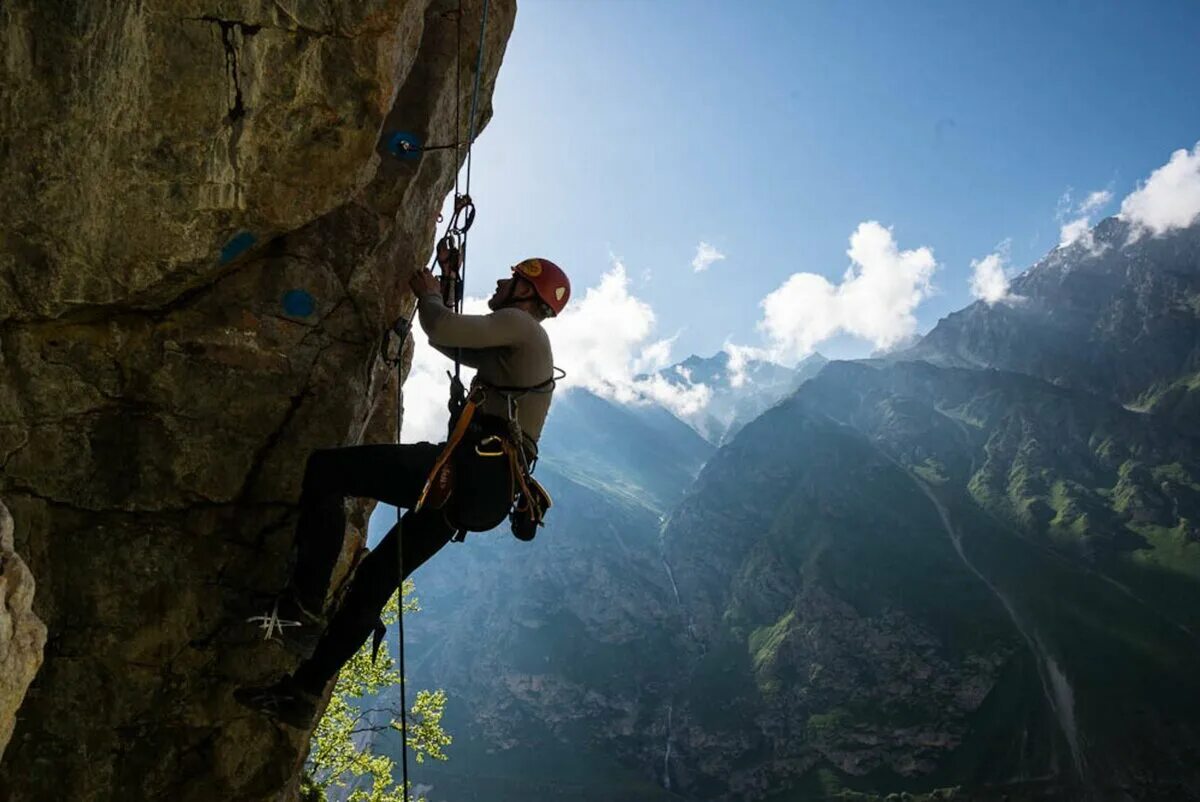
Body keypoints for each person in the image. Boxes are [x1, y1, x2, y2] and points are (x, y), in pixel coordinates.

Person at [236, 258, 570, 726]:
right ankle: (302, 692)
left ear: (527, 295)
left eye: (512, 279)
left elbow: (440, 326)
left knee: (325, 471)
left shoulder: (519, 325)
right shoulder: (522, 341)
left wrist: (430, 295)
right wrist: (447, 286)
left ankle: (303, 605)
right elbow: (451, 340)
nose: (501, 281)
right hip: (479, 493)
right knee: (372, 582)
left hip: (467, 469)